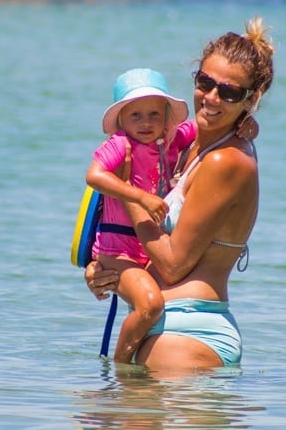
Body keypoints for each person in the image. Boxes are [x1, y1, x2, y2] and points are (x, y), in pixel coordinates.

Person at [85, 17, 275, 371]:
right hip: (165, 327)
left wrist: (127, 191)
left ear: (250, 99)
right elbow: (149, 244)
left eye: (230, 92)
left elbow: (172, 265)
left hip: (189, 334)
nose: (212, 98)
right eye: (206, 82)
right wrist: (107, 270)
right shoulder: (188, 148)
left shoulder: (225, 161)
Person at [86, 68, 193, 363]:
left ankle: (138, 375)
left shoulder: (173, 138)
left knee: (161, 311)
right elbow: (94, 175)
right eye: (136, 115)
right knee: (150, 304)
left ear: (167, 116)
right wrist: (139, 196)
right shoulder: (121, 144)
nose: (146, 123)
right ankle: (122, 369)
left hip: (153, 250)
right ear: (121, 119)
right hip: (117, 254)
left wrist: (248, 127)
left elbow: (213, 128)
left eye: (154, 114)